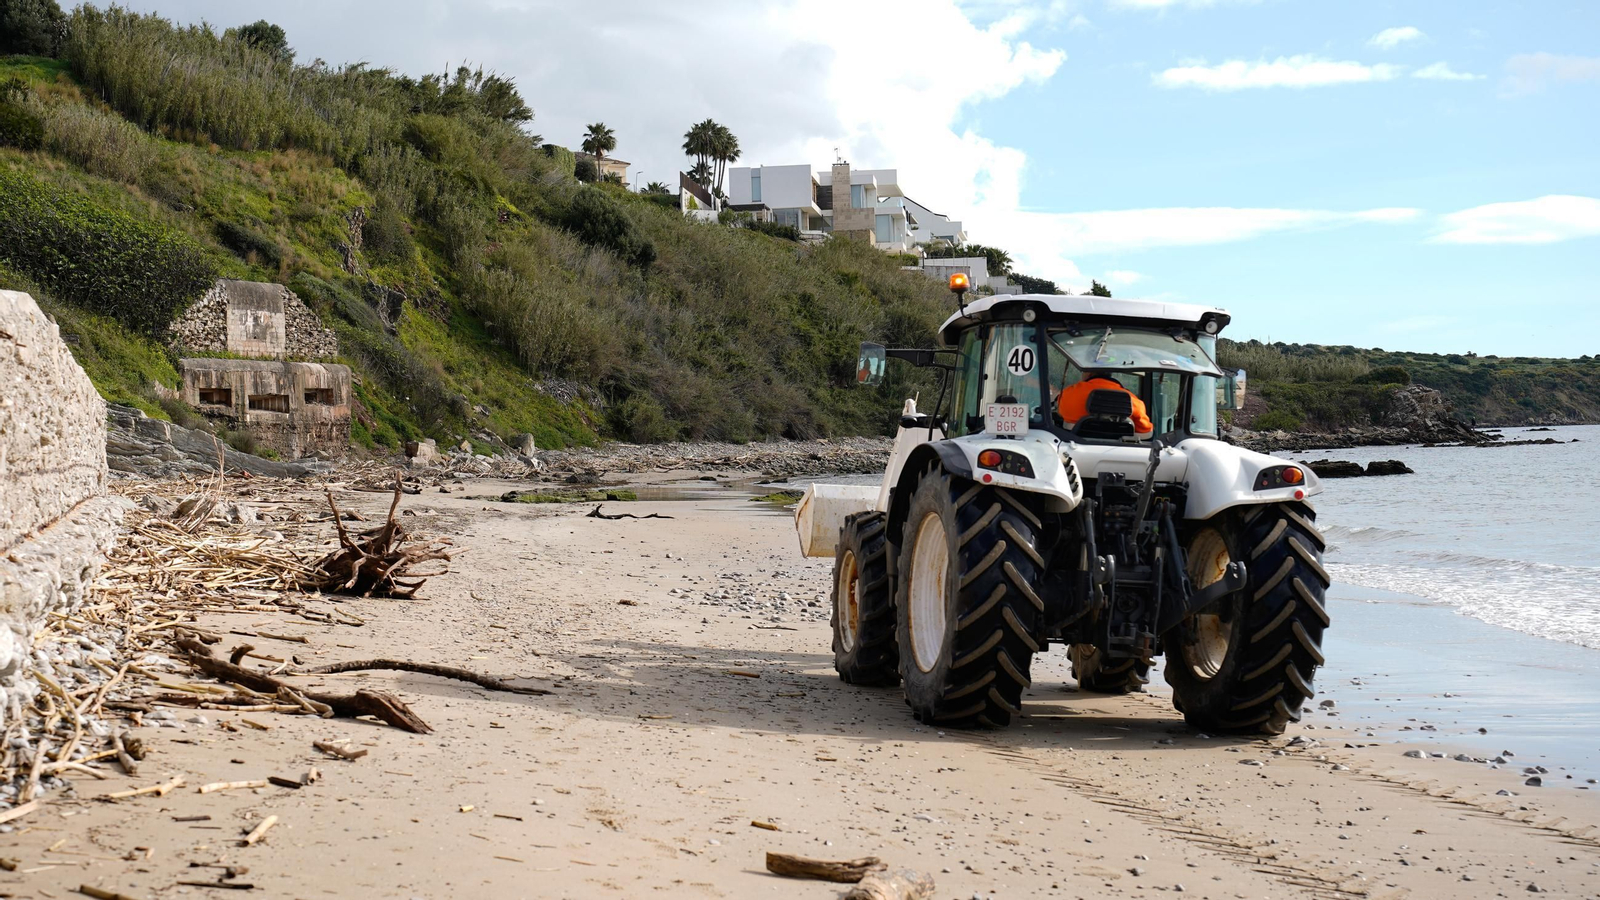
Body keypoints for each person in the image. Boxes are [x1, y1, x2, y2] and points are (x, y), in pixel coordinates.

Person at [1056, 374, 1153, 436]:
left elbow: (1059, 415)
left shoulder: (1068, 394)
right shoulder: (1134, 402)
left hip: (1074, 450)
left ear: (1088, 373)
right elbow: (1146, 433)